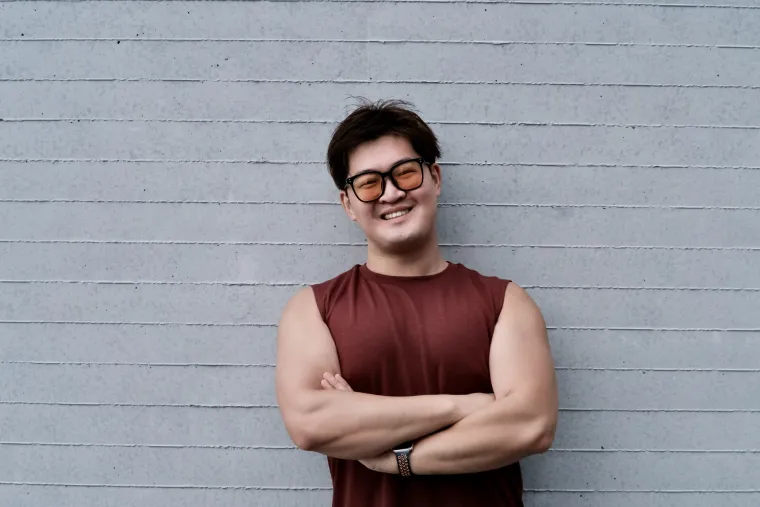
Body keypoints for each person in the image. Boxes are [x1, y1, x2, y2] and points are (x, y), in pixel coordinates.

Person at [275, 99, 558, 507]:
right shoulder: (313, 309)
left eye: (405, 173)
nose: (391, 193)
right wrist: (462, 406)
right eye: (369, 182)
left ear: (434, 178)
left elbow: (531, 427)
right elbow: (311, 425)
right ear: (348, 204)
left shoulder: (505, 303)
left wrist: (396, 459)